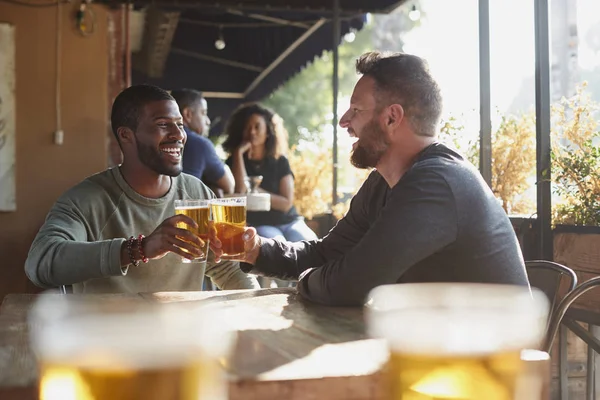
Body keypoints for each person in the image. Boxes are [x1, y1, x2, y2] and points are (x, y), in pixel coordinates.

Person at [211, 51, 529, 306]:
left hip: (492, 367)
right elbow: (326, 254)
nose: (344, 121)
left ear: (391, 118)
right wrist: (254, 250)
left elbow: (353, 283)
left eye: (356, 110)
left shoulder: (437, 183)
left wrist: (306, 280)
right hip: (437, 346)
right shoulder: (383, 183)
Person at [25, 84, 259, 293]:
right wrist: (139, 249)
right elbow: (40, 263)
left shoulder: (196, 193)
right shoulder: (86, 200)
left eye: (179, 125)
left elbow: (228, 270)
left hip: (182, 336)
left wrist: (259, 310)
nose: (179, 135)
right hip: (106, 336)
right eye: (163, 125)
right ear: (126, 135)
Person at [222, 103, 318, 243]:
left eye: (257, 126)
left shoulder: (280, 161)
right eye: (247, 127)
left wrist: (256, 190)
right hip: (261, 224)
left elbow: (286, 203)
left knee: (309, 243)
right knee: (278, 247)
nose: (252, 132)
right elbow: (241, 191)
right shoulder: (233, 162)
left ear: (268, 131)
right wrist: (238, 153)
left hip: (289, 222)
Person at [170, 88, 235, 197]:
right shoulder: (200, 144)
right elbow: (229, 186)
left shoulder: (159, 139)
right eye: (203, 113)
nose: (208, 121)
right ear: (188, 114)